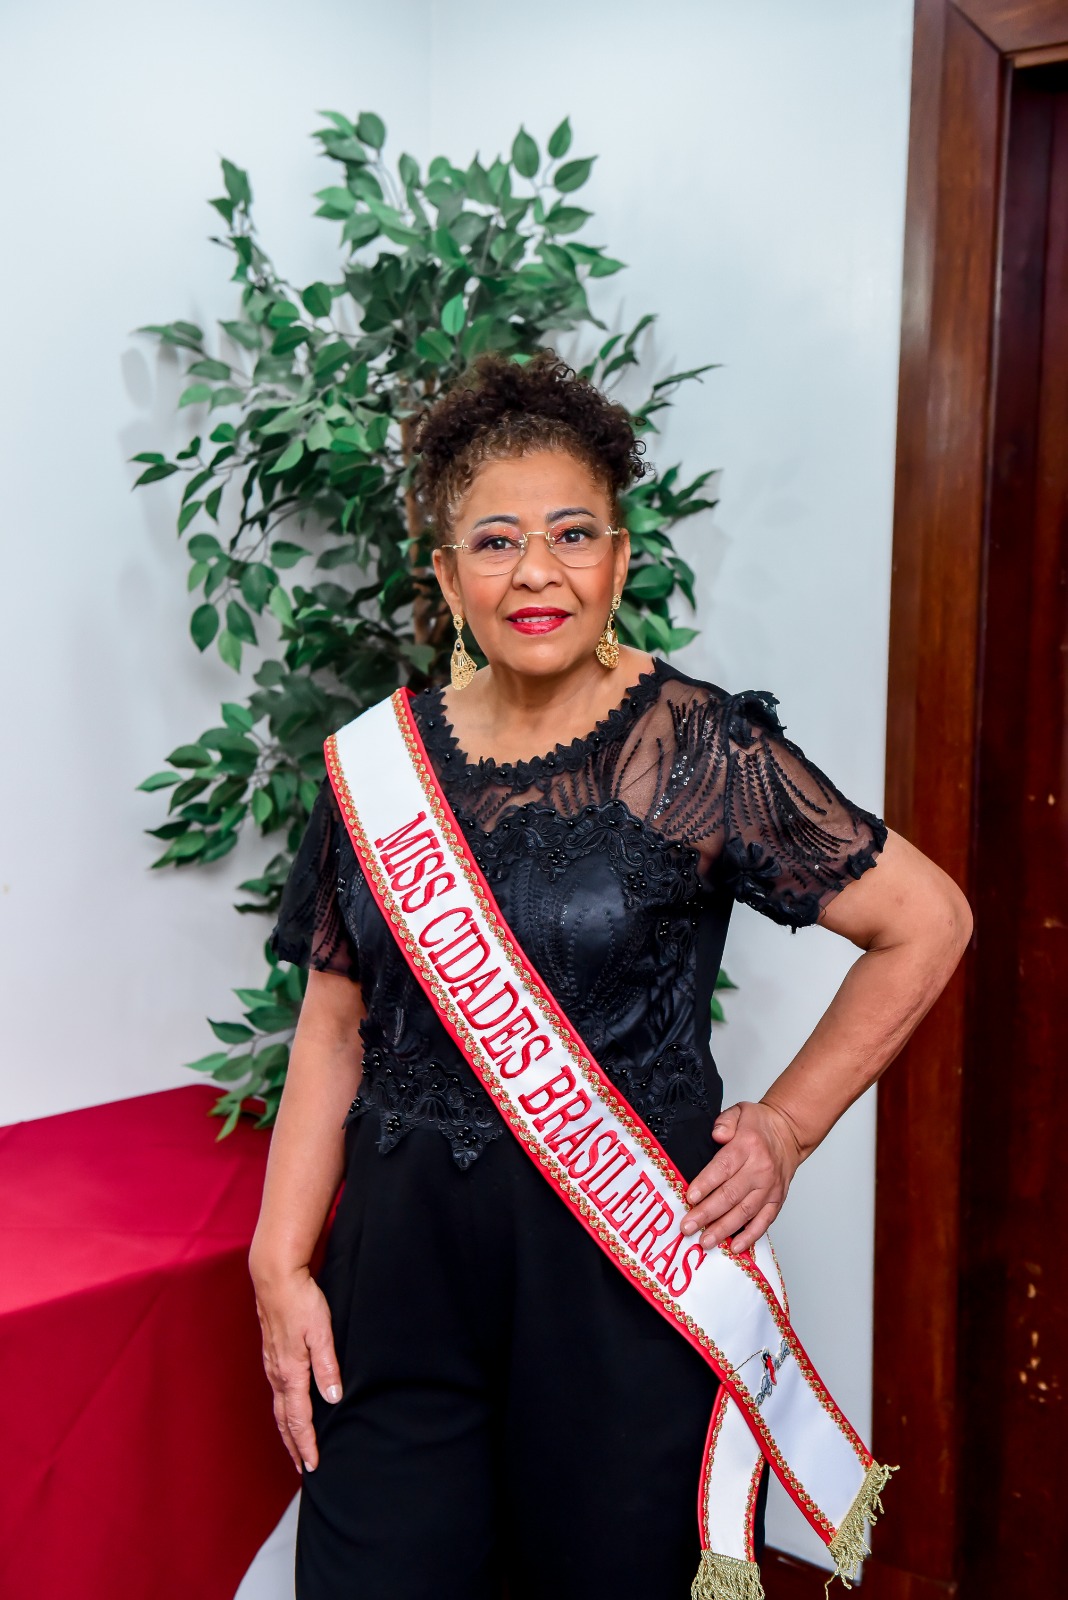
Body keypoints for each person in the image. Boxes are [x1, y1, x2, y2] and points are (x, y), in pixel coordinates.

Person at [248, 352, 971, 1600]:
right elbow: (333, 1025)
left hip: (621, 1280)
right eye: (496, 541)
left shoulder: (701, 750)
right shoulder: (374, 768)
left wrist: (788, 1127)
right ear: (447, 578)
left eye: (573, 533)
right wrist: (278, 1262)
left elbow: (928, 919)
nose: (538, 571)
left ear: (620, 560)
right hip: (399, 1279)